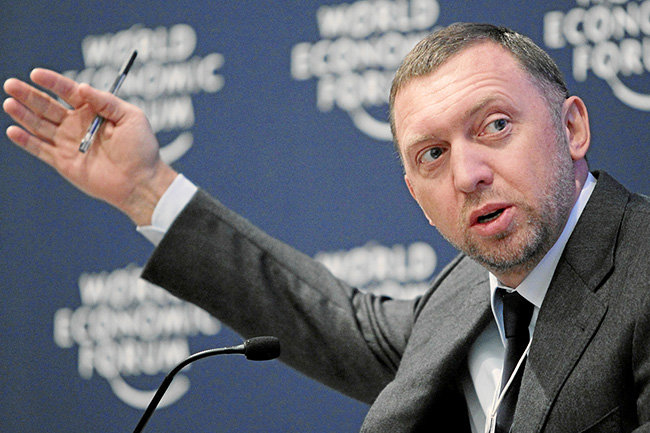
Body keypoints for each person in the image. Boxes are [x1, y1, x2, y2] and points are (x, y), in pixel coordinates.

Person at [3, 23, 649, 432]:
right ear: (415, 194)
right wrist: (147, 188)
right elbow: (329, 321)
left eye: (496, 126)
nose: (467, 174)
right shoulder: (467, 290)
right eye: (432, 154)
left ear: (572, 127)